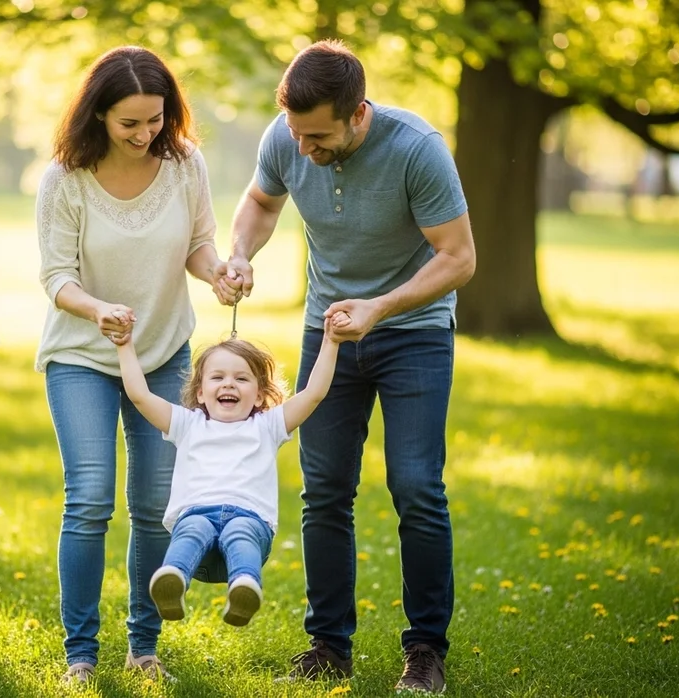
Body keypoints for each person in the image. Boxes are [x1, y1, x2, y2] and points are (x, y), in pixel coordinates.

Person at [215, 40, 477, 693]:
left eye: (319, 137)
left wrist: (381, 307)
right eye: (297, 135)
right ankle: (328, 645)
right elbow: (261, 201)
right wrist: (241, 252)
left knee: (417, 486)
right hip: (329, 333)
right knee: (324, 488)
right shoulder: (288, 135)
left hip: (413, 332)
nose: (303, 149)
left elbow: (459, 258)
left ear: (358, 114)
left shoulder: (418, 149)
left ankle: (425, 652)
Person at [35, 45, 233, 686]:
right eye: (131, 124)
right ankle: (80, 655)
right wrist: (97, 310)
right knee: (89, 500)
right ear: (98, 117)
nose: (147, 134)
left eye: (156, 119)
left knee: (154, 504)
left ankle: (143, 647)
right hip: (83, 356)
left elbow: (200, 246)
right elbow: (56, 276)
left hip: (166, 351)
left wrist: (221, 273)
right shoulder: (64, 179)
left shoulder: (184, 165)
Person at [113, 318, 344, 631]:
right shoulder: (186, 424)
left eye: (241, 379)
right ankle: (174, 579)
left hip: (250, 520)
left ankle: (244, 587)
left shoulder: (268, 426)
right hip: (197, 523)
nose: (228, 384)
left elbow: (314, 393)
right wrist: (125, 346)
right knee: (193, 527)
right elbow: (140, 396)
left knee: (240, 532)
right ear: (201, 393)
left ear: (261, 395)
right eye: (217, 377)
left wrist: (331, 341)